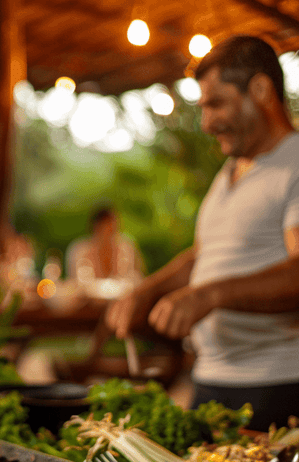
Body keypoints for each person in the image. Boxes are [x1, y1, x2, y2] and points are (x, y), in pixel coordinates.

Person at [105, 35, 299, 431]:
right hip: (210, 380)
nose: (207, 123)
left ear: (260, 90)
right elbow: (203, 255)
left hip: (276, 384)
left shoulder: (294, 161)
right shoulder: (230, 171)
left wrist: (210, 295)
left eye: (216, 103)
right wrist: (148, 290)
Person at [65, 206, 145, 285]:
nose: (108, 233)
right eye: (105, 228)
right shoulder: (80, 250)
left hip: (123, 295)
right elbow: (74, 282)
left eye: (112, 228)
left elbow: (137, 276)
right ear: (95, 228)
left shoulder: (126, 247)